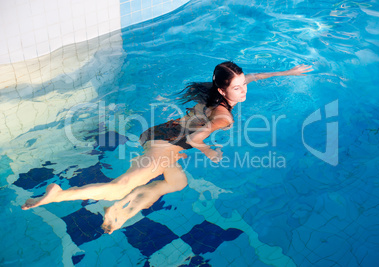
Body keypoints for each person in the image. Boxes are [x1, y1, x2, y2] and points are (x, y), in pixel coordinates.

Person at [22, 62, 312, 234]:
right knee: (120, 185)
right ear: (223, 90)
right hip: (167, 144)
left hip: (163, 132)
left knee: (177, 182)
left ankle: (119, 211)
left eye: (242, 84)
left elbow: (255, 77)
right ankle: (59, 195)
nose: (244, 90)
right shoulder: (224, 116)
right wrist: (208, 151)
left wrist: (289, 72)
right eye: (238, 88)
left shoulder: (220, 91)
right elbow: (198, 139)